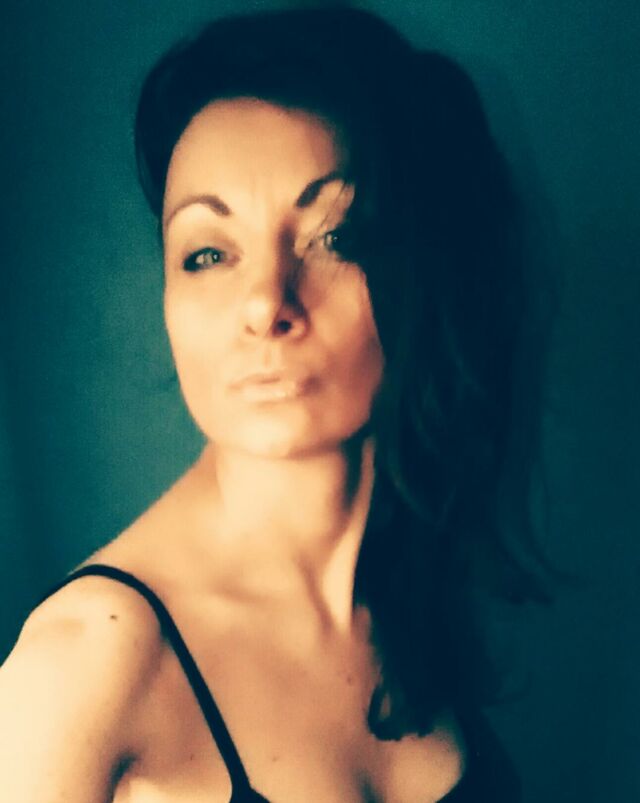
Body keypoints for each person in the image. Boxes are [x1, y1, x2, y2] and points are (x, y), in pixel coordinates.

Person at [0, 7, 547, 802]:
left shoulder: (407, 578)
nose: (264, 303)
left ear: (422, 271)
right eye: (208, 253)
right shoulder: (85, 665)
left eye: (335, 236)